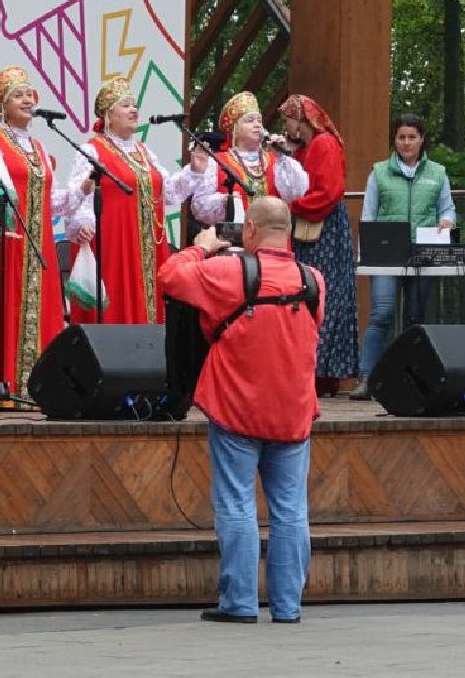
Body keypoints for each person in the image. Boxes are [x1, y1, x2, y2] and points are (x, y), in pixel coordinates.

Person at [159, 196, 325, 626]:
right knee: (291, 509)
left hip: (236, 409)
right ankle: (288, 607)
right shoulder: (314, 280)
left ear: (248, 230)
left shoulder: (228, 272)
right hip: (292, 413)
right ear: (287, 230)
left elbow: (170, 277)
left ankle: (240, 603)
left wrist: (203, 245)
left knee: (236, 504)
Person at [0, 66, 85, 397]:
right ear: (1, 106)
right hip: (3, 243)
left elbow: (53, 202)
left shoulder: (38, 146)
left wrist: (83, 188)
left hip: (39, 245)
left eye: (29, 95)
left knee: (40, 312)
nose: (27, 100)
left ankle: (35, 385)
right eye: (17, 95)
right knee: (1, 311)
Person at [64, 76, 195, 324]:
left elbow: (169, 192)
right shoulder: (93, 150)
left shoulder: (144, 152)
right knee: (116, 303)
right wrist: (82, 223)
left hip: (147, 244)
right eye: (125, 105)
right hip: (113, 242)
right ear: (108, 114)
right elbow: (79, 194)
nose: (134, 110)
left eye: (135, 105)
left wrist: (194, 170)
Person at [355, 112, 455, 396]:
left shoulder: (438, 172)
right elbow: (369, 214)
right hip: (386, 254)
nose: (407, 143)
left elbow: (448, 209)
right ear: (394, 140)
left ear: (422, 140)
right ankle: (367, 377)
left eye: (412, 137)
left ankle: (412, 380)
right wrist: (366, 254)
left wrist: (448, 221)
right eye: (401, 137)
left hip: (424, 252)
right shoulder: (379, 172)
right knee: (382, 313)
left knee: (415, 317)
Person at [277, 94, 357, 397]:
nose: (286, 126)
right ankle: (317, 371)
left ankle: (323, 372)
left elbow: (328, 192)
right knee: (318, 294)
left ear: (301, 120)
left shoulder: (323, 144)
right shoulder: (307, 147)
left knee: (325, 295)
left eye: (288, 120)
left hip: (324, 229)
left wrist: (290, 206)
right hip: (313, 224)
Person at [184, 90, 309, 226]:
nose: (257, 125)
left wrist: (283, 157)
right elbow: (199, 208)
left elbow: (297, 193)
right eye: (249, 121)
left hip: (273, 239)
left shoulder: (277, 161)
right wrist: (224, 201)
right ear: (235, 130)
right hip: (233, 242)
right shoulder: (218, 162)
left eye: (259, 121)